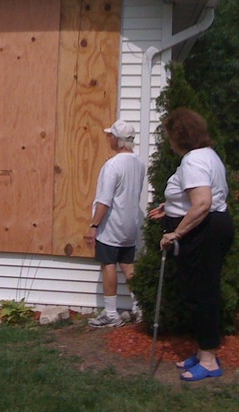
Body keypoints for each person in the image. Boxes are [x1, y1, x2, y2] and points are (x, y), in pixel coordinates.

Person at [148, 108, 234, 382]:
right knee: (198, 293)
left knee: (201, 295)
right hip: (210, 229)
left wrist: (177, 233)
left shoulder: (193, 161)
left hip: (203, 233)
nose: (167, 140)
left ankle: (209, 361)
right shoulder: (206, 155)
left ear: (179, 135)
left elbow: (203, 203)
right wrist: (170, 206)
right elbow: (197, 197)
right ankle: (203, 352)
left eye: (168, 134)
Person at [85, 119, 146, 328]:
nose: (109, 138)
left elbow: (104, 200)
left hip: (112, 225)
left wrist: (94, 225)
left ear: (118, 141)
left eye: (111, 136)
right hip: (130, 225)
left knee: (108, 264)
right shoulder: (139, 164)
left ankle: (111, 313)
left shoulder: (112, 165)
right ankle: (140, 307)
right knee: (128, 265)